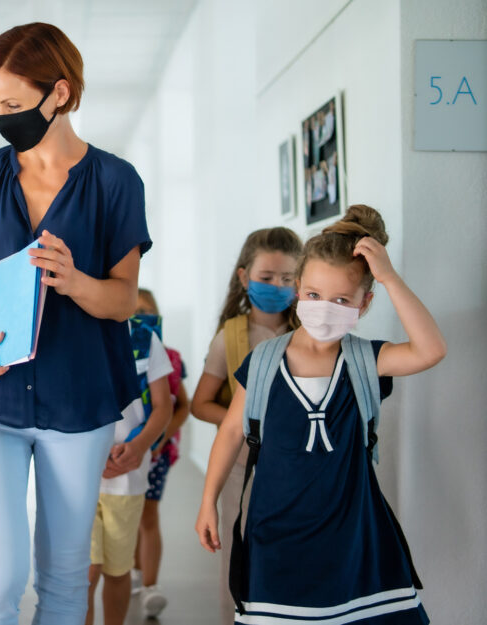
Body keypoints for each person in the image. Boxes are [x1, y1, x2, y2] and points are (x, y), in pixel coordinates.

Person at [0, 22, 151, 625]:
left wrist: (74, 279)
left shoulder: (115, 181)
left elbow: (124, 301)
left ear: (59, 92)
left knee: (62, 577)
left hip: (78, 400)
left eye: (13, 104)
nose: (2, 118)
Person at [196, 205, 446, 624]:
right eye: (313, 295)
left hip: (354, 539)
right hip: (275, 537)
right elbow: (232, 430)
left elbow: (430, 349)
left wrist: (388, 276)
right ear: (298, 291)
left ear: (364, 304)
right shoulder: (262, 362)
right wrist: (208, 501)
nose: (324, 308)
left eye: (341, 300)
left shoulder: (367, 360)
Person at [190, 226, 302, 624]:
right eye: (267, 278)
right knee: (241, 562)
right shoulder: (231, 337)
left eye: (288, 279)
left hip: (299, 470)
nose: (278, 286)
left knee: (294, 558)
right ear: (244, 278)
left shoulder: (307, 334)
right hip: (243, 470)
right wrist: (244, 423)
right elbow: (200, 404)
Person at [86, 310, 172, 625]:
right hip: (80, 476)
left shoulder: (144, 338)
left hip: (128, 478)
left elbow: (163, 407)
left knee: (118, 570)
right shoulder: (69, 335)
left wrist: (137, 447)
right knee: (88, 570)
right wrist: (93, 457)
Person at [129, 288, 190, 619]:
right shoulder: (116, 353)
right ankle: (134, 571)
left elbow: (183, 405)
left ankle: (151, 585)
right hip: (123, 451)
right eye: (134, 311)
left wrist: (159, 439)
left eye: (147, 312)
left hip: (159, 452)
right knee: (128, 514)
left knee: (147, 515)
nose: (140, 317)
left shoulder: (172, 357)